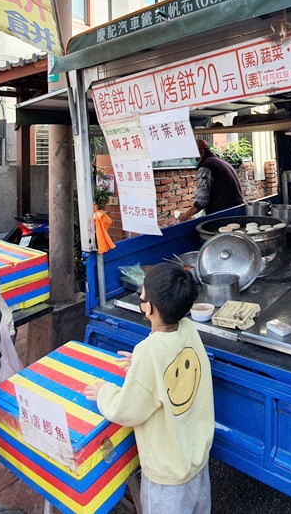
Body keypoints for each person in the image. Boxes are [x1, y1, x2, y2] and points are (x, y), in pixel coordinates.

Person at [84, 262, 214, 514]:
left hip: (167, 477)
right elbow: (176, 369)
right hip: (196, 461)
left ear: (149, 309)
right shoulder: (189, 329)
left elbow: (127, 410)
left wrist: (104, 392)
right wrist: (145, 367)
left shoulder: (149, 350)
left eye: (142, 298)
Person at [180, 138, 244, 221]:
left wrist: (185, 215)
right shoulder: (221, 161)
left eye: (191, 157)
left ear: (202, 152)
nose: (190, 160)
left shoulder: (206, 166)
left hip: (223, 215)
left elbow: (201, 201)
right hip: (237, 210)